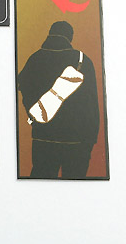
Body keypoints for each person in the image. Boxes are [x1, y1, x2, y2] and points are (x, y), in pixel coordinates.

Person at [18, 21, 100, 179]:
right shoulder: (82, 59)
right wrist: (92, 136)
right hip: (77, 139)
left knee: (40, 184)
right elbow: (91, 101)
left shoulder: (35, 58)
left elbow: (23, 86)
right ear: (70, 36)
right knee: (76, 185)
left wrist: (33, 115)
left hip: (43, 136)